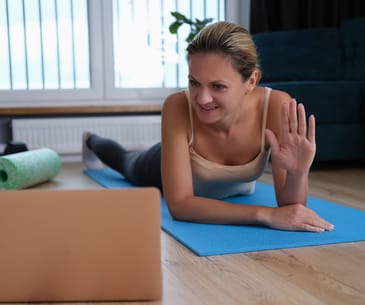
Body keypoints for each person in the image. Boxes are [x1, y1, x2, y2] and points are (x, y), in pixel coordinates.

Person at [83, 21, 334, 233]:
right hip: (160, 165)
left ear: (251, 81)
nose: (202, 99)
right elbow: (180, 205)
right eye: (194, 83)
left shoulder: (276, 106)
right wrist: (263, 215)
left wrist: (298, 173)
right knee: (126, 162)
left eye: (218, 86)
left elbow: (292, 209)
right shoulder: (177, 106)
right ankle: (92, 140)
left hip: (231, 189)